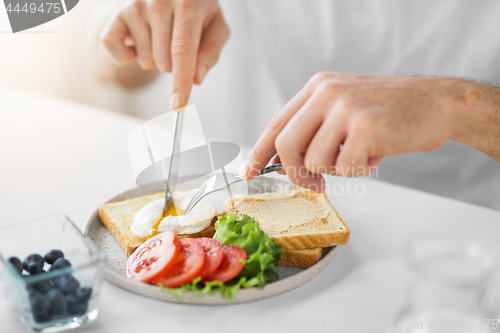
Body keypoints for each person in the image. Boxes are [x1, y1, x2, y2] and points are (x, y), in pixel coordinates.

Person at [100, 0, 500, 201]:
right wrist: (148, 27)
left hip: (477, 223)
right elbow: (106, 69)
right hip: (326, 213)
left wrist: (463, 105)